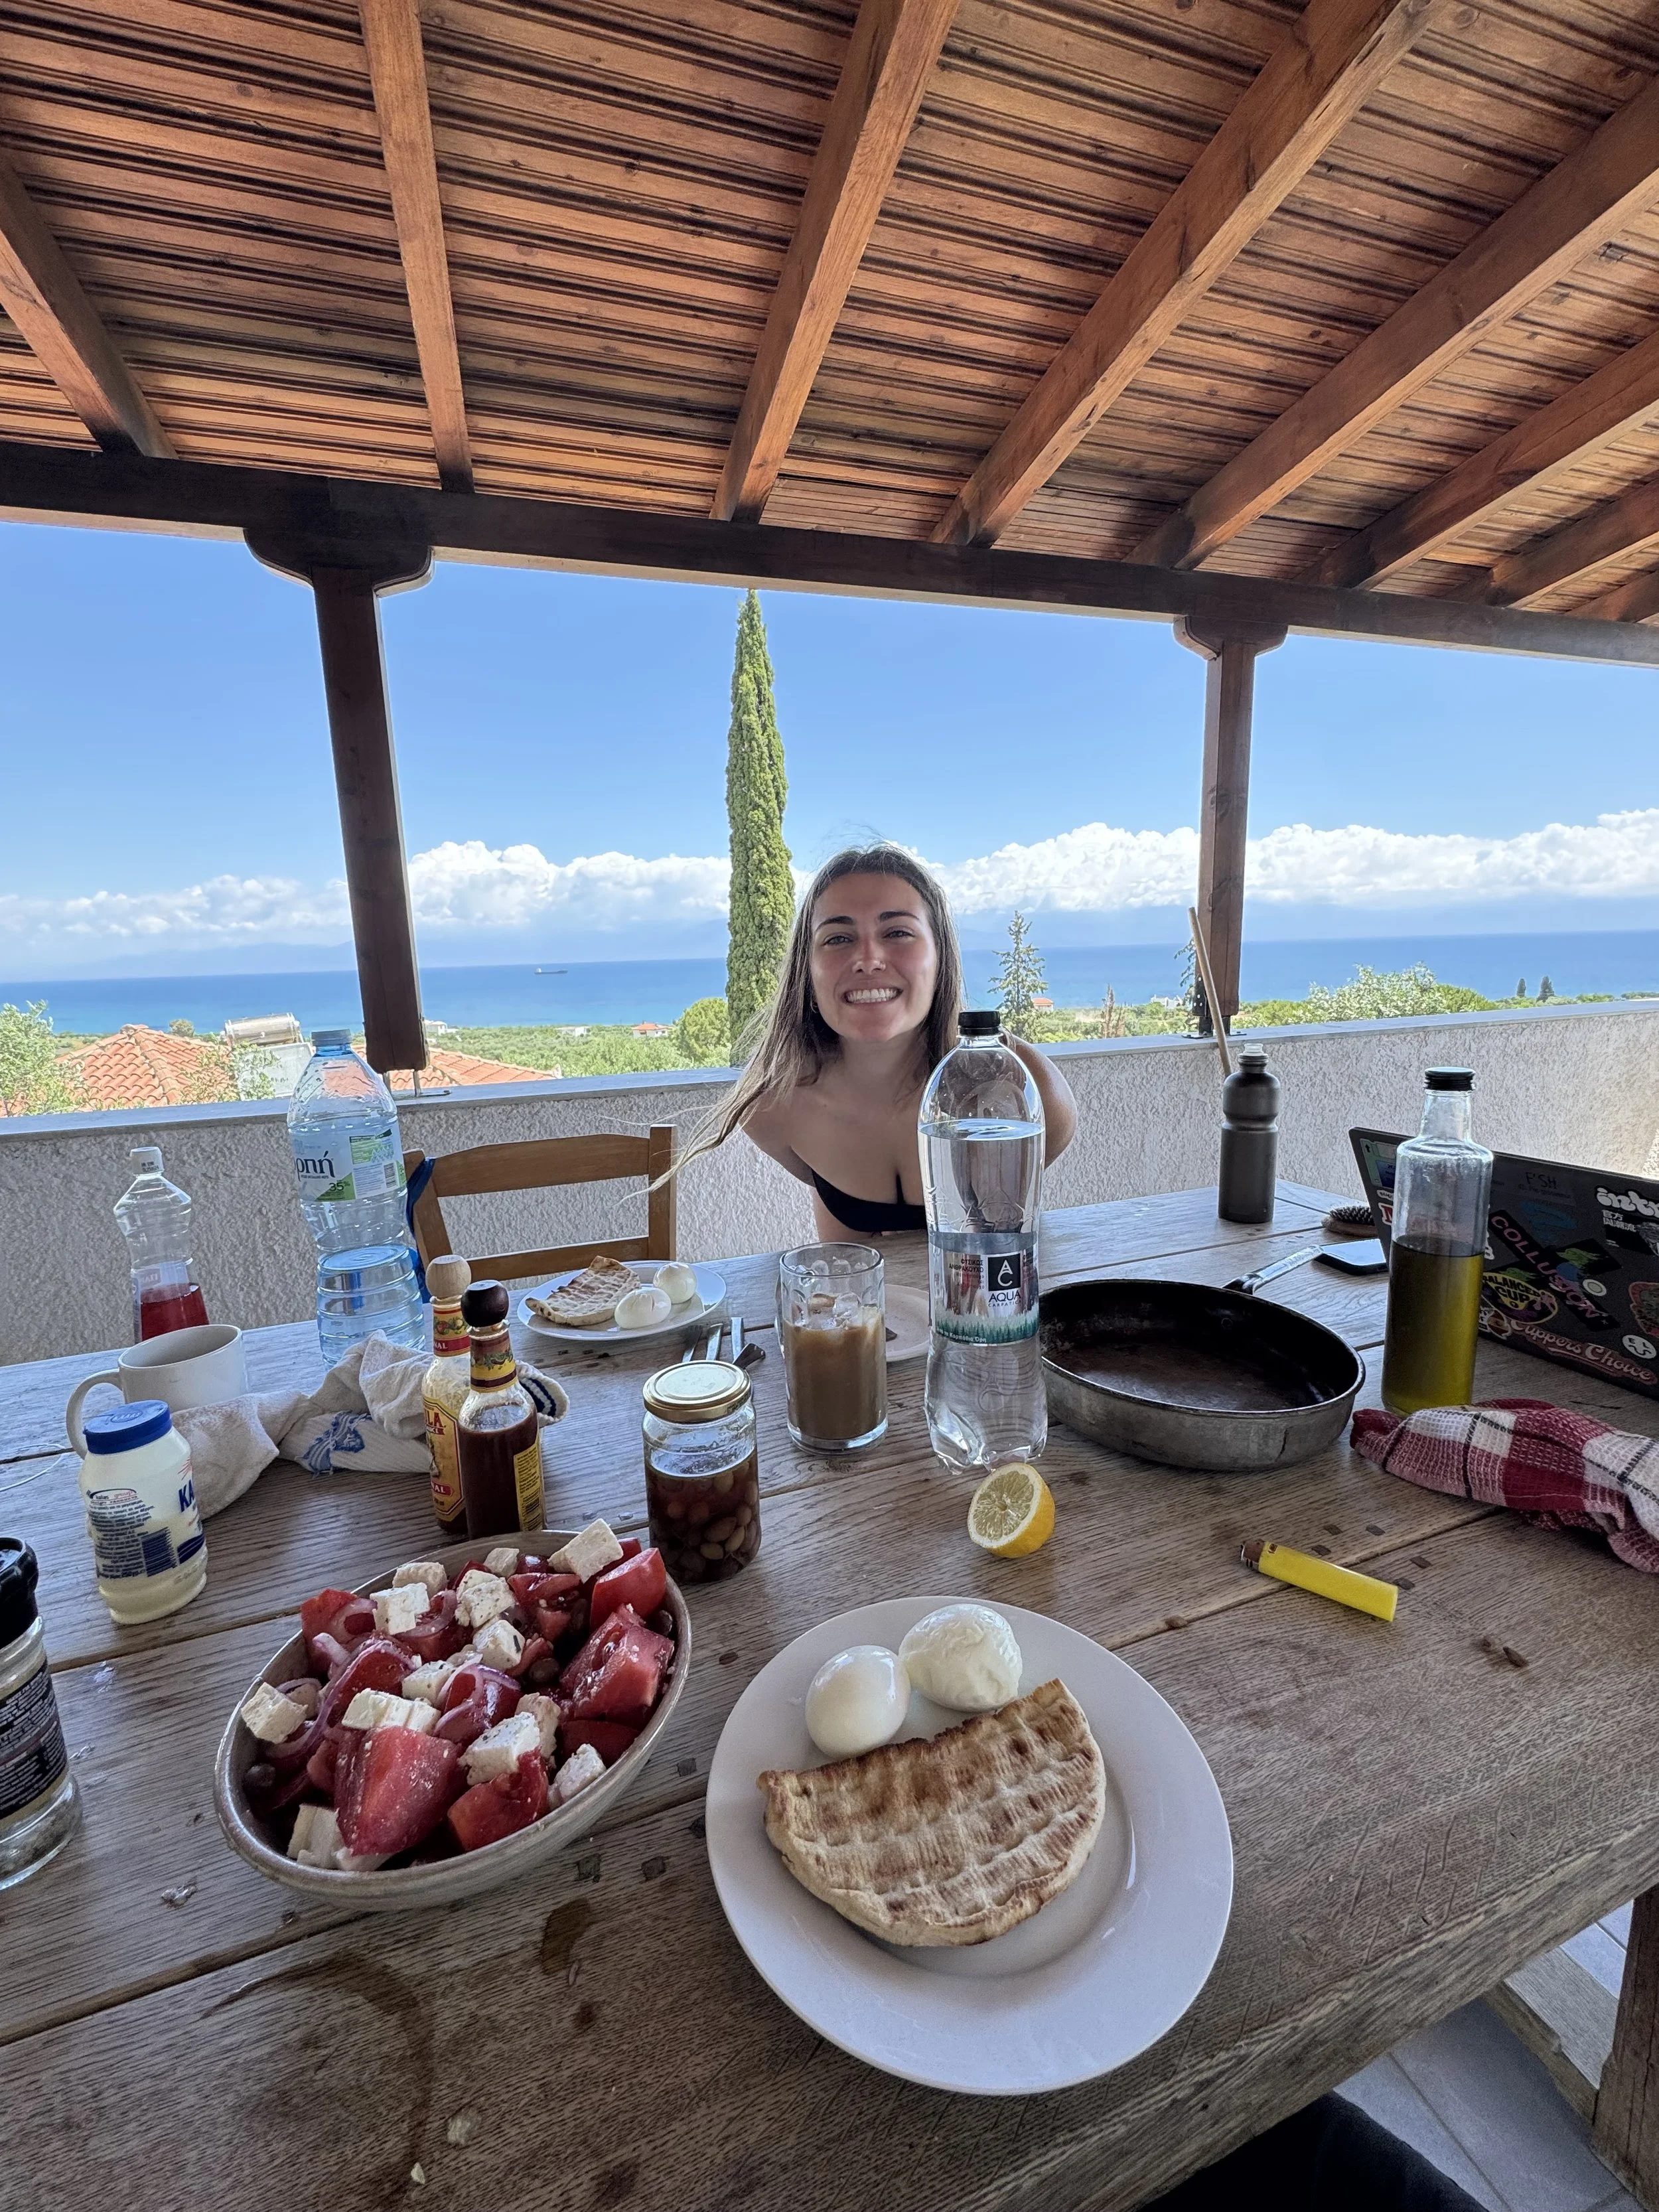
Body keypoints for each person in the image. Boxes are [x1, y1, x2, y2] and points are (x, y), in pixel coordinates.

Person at [685, 844, 1076, 1236]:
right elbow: (846, 1264)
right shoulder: (771, 1105)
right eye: (838, 938)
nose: (869, 960)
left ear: (940, 958)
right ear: (807, 971)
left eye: (898, 932)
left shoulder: (1026, 1090)